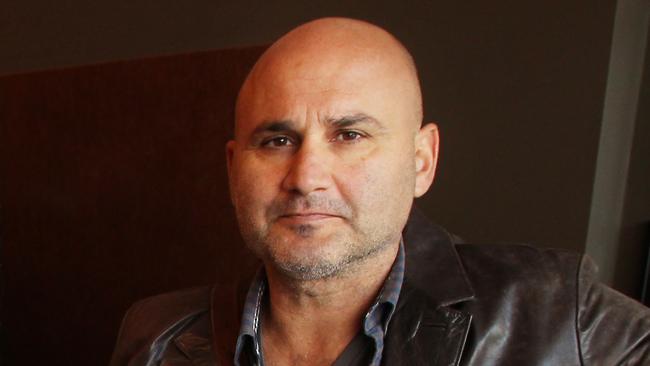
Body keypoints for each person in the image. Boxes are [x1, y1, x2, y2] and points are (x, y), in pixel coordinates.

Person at [109, 17, 650, 365]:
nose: (305, 176)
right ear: (233, 168)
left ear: (421, 161)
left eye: (350, 135)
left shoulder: (556, 315)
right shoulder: (155, 336)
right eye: (277, 139)